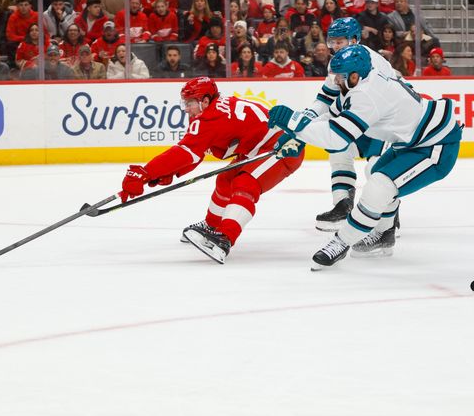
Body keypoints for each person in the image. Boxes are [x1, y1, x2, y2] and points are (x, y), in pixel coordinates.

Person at [267, 44, 461, 270]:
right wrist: (296, 135)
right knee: (376, 173)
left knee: (380, 187)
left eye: (340, 76)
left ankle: (340, 242)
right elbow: (331, 115)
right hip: (414, 140)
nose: (335, 81)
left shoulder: (367, 96)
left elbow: (337, 139)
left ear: (355, 76)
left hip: (437, 145)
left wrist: (294, 124)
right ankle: (383, 234)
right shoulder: (360, 82)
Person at [118, 77, 304, 264]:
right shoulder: (212, 111)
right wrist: (166, 172)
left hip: (282, 147)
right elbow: (195, 154)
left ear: (205, 101)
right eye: (185, 102)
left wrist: (145, 172)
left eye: (190, 103)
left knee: (245, 183)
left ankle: (224, 239)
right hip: (257, 147)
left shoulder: (210, 117)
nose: (186, 108)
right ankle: (211, 226)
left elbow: (186, 152)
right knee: (225, 180)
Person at [302, 17, 398, 232]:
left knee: (376, 169)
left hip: (382, 123)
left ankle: (388, 216)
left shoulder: (374, 62)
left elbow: (387, 99)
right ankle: (342, 206)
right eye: (332, 42)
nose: (335, 47)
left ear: (354, 40)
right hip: (358, 119)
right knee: (338, 152)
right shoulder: (337, 62)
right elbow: (326, 98)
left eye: (340, 42)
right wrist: (304, 120)